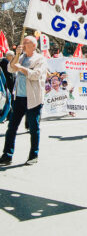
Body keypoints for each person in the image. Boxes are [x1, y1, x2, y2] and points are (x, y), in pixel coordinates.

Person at [0, 36, 47, 166]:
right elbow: (10, 68)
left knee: (33, 128)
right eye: (23, 42)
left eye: (25, 43)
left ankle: (33, 155)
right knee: (11, 127)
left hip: (33, 98)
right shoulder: (20, 57)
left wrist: (20, 68)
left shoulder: (40, 59)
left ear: (33, 45)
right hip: (19, 97)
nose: (23, 45)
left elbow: (35, 75)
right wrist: (16, 55)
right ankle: (7, 155)